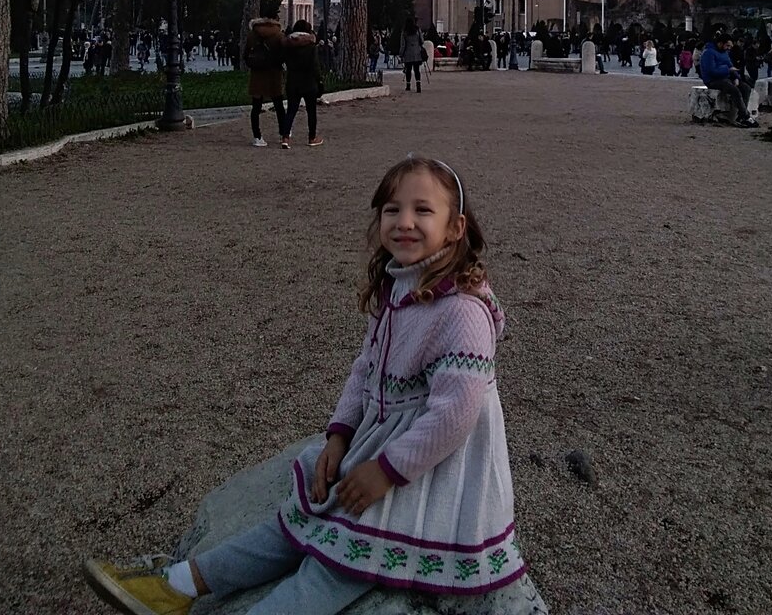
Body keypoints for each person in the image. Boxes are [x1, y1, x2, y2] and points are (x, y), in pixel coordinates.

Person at [83, 156, 528, 614]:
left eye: (423, 210)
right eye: (392, 210)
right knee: (293, 523)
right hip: (387, 443)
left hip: (433, 474)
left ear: (456, 228)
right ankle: (179, 586)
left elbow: (454, 416)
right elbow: (365, 368)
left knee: (332, 567)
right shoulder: (398, 289)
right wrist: (339, 436)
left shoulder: (462, 312)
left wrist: (385, 471)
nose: (405, 222)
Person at [243, 16, 287, 147]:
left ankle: (257, 136)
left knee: (256, 107)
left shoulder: (252, 35)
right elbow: (284, 53)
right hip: (274, 72)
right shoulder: (278, 35)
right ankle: (283, 133)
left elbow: (246, 55)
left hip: (257, 73)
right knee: (278, 105)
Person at [281, 18, 325, 148]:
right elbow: (315, 66)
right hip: (308, 81)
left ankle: (285, 138)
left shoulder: (288, 46)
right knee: (311, 112)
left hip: (293, 80)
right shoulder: (311, 46)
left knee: (291, 111)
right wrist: (320, 80)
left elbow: (282, 61)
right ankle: (312, 138)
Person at [700, 32, 758, 127]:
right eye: (727, 45)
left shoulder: (724, 53)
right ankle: (745, 116)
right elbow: (711, 71)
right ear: (720, 43)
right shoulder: (708, 53)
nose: (729, 48)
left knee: (746, 88)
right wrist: (728, 70)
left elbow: (731, 66)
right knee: (735, 91)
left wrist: (736, 77)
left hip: (725, 78)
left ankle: (741, 115)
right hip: (712, 81)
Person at [399, 16, 425, 93]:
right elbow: (422, 41)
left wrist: (401, 54)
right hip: (417, 52)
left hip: (408, 53)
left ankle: (408, 85)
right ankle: (418, 85)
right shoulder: (417, 30)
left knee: (408, 70)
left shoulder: (404, 31)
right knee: (417, 70)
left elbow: (403, 45)